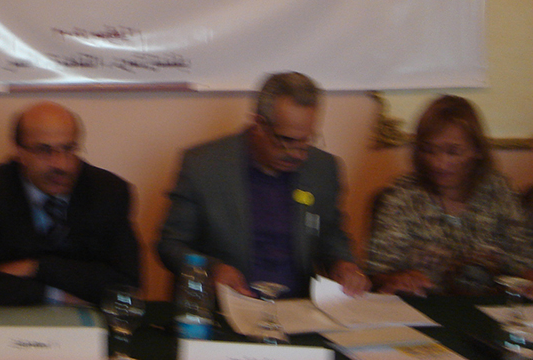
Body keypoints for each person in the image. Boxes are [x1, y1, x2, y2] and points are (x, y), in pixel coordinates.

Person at [157, 72, 369, 298]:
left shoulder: (323, 168)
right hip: (226, 305)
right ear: (258, 124)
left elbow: (331, 235)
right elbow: (171, 245)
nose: (298, 154)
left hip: (298, 306)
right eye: (287, 140)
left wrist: (343, 264)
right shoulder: (204, 166)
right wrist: (212, 270)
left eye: (306, 140)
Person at [0, 101, 140, 306]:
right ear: (19, 153)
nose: (61, 164)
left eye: (68, 149)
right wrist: (54, 296)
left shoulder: (108, 191)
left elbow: (126, 288)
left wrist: (37, 267)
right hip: (10, 318)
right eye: (44, 150)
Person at [366, 95, 533, 296]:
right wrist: (397, 279)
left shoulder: (499, 191)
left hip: (490, 306)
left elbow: (522, 262)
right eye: (429, 150)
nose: (439, 163)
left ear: (477, 150)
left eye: (453, 152)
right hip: (423, 305)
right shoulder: (402, 195)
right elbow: (377, 273)